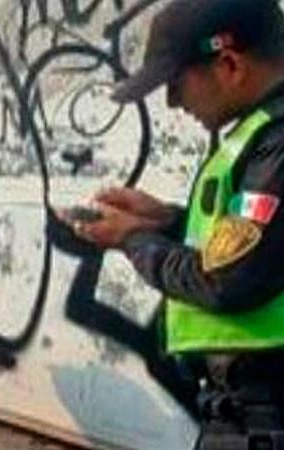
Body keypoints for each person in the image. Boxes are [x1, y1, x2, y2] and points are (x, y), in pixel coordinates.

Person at [64, 0, 284, 447]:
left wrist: (131, 237)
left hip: (265, 408)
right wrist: (163, 219)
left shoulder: (277, 143)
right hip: (246, 408)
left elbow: (225, 278)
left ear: (230, 65)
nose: (171, 102)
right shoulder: (262, 134)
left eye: (175, 83)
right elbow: (256, 248)